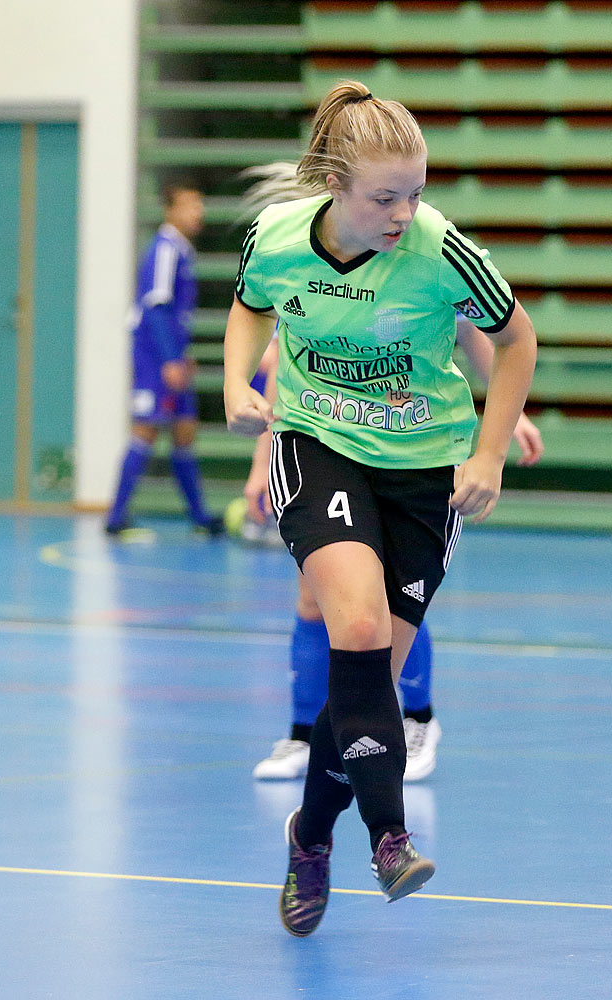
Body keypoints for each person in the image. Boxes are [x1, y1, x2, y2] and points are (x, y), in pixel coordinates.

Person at [224, 80, 537, 936]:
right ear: (334, 185)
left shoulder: (439, 250)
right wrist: (233, 384)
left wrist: (491, 448)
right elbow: (249, 309)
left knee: (371, 679)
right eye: (384, 197)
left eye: (416, 193)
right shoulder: (276, 239)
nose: (404, 212)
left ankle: (309, 836)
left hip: (424, 468)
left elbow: (515, 340)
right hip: (319, 442)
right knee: (354, 632)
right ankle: (389, 838)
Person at [248, 323, 544, 784]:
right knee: (313, 600)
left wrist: (511, 414)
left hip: (402, 450)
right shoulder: (305, 267)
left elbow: (484, 332)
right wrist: (260, 463)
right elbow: (283, 369)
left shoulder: (427, 260)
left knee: (390, 598)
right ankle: (303, 734)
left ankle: (417, 719)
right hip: (324, 445)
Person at [105, 182, 223, 540]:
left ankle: (199, 516)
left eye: (199, 204)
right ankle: (115, 517)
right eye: (190, 205)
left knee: (185, 428)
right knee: (145, 428)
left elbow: (175, 314)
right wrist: (170, 360)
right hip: (154, 358)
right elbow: (155, 308)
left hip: (171, 355)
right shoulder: (165, 250)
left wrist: (183, 354)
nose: (198, 212)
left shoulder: (183, 251)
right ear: (170, 211)